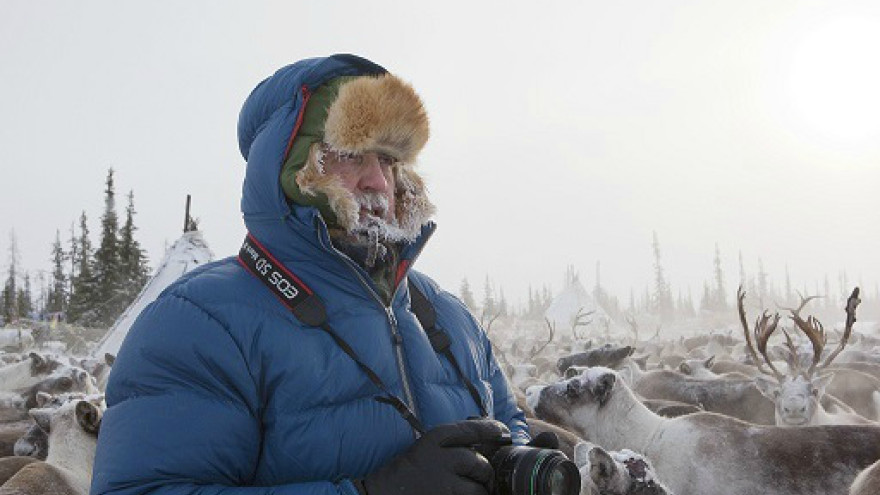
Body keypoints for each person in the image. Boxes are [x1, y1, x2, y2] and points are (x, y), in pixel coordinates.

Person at [91, 54, 531, 495]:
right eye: (349, 155)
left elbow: (510, 424)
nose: (378, 181)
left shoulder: (449, 317)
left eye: (389, 160)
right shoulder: (197, 324)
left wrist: (521, 461)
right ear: (291, 171)